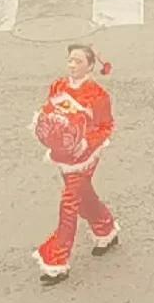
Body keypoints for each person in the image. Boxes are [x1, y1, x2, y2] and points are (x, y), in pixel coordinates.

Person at [33, 43, 120, 284]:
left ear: (90, 65)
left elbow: (106, 126)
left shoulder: (98, 95)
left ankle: (57, 262)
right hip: (63, 152)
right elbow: (48, 112)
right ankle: (105, 228)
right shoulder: (58, 86)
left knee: (69, 203)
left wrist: (85, 143)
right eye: (70, 60)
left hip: (85, 156)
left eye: (78, 61)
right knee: (84, 198)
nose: (72, 65)